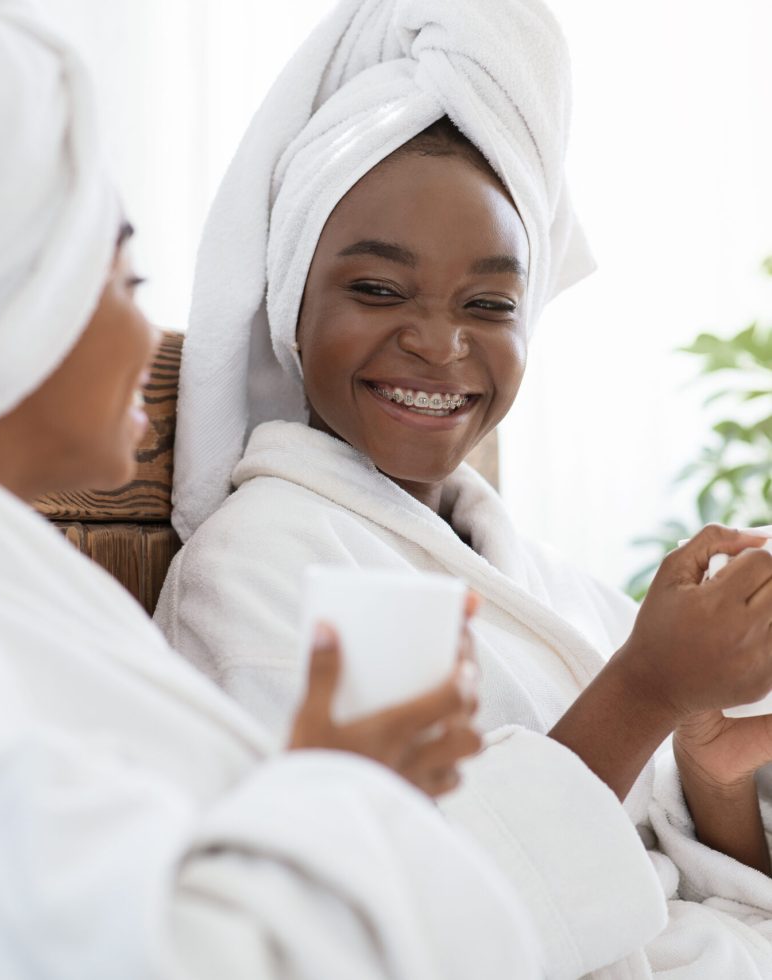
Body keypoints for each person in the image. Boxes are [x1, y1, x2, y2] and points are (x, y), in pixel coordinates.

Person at [154, 0, 772, 976]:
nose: (439, 343)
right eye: (377, 289)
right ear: (288, 295)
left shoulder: (546, 578)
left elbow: (688, 892)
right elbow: (390, 928)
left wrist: (707, 770)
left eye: (490, 303)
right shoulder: (263, 572)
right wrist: (645, 685)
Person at [0, 3, 558, 977]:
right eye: (122, 277)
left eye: (489, 302)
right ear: (5, 314)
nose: (152, 339)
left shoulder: (10, 582)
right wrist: (344, 789)